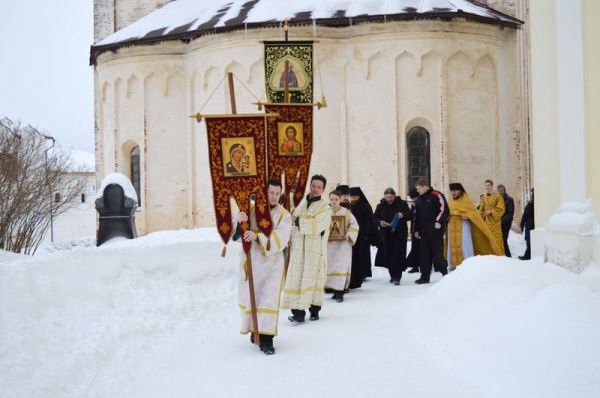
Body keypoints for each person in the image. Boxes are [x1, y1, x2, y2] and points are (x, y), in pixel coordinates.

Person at [233, 179, 292, 355]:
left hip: (272, 265)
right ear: (264, 193)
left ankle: (267, 340)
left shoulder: (284, 215)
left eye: (277, 193)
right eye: (271, 192)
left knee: (268, 299)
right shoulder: (251, 210)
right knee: (252, 298)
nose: (274, 196)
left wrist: (257, 236)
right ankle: (255, 330)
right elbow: (236, 236)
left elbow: (282, 237)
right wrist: (239, 222)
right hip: (251, 262)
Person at [281, 174, 332, 322]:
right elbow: (290, 219)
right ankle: (298, 313)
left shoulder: (325, 208)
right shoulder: (300, 203)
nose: (315, 189)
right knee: (296, 277)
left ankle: (314, 310)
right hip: (298, 247)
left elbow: (318, 225)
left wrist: (298, 221)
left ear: (323, 190)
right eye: (313, 186)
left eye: (319, 187)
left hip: (313, 249)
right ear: (310, 186)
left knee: (313, 278)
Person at [446, 183, 504, 271]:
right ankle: (453, 265)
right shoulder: (450, 201)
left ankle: (467, 263)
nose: (453, 193)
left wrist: (468, 216)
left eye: (455, 191)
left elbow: (474, 213)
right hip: (451, 226)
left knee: (464, 245)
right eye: (452, 191)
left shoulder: (466, 201)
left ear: (460, 191)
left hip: (463, 226)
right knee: (452, 246)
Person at [325, 190, 359, 302]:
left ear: (340, 200)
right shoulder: (325, 212)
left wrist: (349, 234)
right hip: (328, 246)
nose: (334, 202)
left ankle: (340, 293)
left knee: (341, 267)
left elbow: (354, 225)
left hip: (342, 246)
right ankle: (334, 290)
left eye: (336, 199)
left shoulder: (346, 212)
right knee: (330, 267)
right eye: (332, 199)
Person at [413, 179, 449, 284]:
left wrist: (439, 222)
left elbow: (444, 209)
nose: (417, 191)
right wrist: (416, 229)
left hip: (435, 231)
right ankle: (425, 276)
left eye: (418, 189)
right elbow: (416, 216)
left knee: (437, 253)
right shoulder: (419, 200)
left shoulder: (436, 195)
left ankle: (445, 274)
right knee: (424, 255)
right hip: (423, 233)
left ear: (425, 186)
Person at [373, 188, 411, 285]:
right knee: (388, 256)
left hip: (399, 234)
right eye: (387, 197)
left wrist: (403, 215)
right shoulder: (380, 206)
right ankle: (392, 275)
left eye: (390, 197)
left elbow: (410, 214)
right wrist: (380, 223)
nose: (389, 199)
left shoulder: (402, 204)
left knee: (398, 256)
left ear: (394, 196)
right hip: (386, 235)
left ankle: (397, 277)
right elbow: (374, 218)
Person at [348, 186, 376, 288]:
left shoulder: (365, 206)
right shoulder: (350, 207)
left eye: (356, 197)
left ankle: (364, 273)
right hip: (353, 235)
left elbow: (370, 221)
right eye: (352, 197)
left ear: (359, 196)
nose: (354, 199)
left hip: (363, 235)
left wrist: (367, 234)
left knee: (363, 254)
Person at [479, 180, 505, 256]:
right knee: (487, 238)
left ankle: (498, 254)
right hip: (486, 221)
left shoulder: (498, 196)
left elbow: (501, 209)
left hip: (495, 222)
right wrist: (480, 218)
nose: (487, 187)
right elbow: (481, 208)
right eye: (485, 185)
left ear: (492, 186)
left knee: (496, 239)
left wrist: (491, 212)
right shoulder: (483, 196)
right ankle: (488, 255)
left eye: (488, 185)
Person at [405, 188, 420, 274]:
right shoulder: (413, 206)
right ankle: (415, 266)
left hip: (421, 230)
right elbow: (412, 218)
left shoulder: (422, 204)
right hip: (414, 230)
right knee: (414, 248)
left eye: (415, 198)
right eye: (412, 198)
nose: (414, 200)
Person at [497, 184, 514, 257]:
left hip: (506, 223)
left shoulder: (509, 200)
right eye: (499, 191)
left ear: (504, 190)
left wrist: (501, 221)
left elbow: (510, 213)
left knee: (504, 239)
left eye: (501, 190)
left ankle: (508, 256)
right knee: (500, 240)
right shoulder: (498, 200)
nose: (500, 192)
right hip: (499, 223)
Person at [519, 188, 535, 260]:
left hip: (532, 224)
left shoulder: (532, 205)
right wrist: (522, 224)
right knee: (528, 240)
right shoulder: (530, 205)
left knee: (530, 240)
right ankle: (527, 255)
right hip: (529, 224)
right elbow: (525, 215)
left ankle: (528, 255)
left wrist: (522, 224)